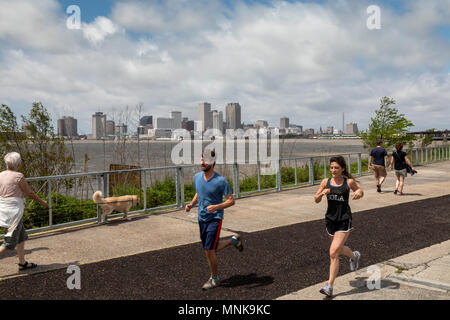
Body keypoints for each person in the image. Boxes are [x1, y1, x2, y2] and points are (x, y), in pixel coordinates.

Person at [185, 148, 243, 290]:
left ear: (213, 162)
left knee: (209, 250)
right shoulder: (197, 177)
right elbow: (199, 192)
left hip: (215, 219)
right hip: (201, 218)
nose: (202, 162)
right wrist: (192, 204)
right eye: (201, 159)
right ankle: (233, 241)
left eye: (205, 160)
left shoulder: (221, 181)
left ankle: (214, 278)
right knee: (211, 248)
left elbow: (231, 201)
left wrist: (216, 207)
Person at [314, 156, 364, 297]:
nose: (333, 170)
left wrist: (358, 193)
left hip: (344, 220)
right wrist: (321, 194)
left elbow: (360, 191)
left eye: (336, 167)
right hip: (330, 220)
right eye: (331, 167)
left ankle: (329, 286)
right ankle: (354, 256)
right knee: (339, 249)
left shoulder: (348, 182)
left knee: (333, 252)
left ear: (342, 168)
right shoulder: (326, 182)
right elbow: (316, 199)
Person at [0, 152, 48, 271]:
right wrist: (42, 202)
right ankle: (22, 263)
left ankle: (23, 263)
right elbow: (29, 193)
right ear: (19, 164)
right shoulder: (18, 176)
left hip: (4, 210)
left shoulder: (0, 175)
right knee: (9, 243)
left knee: (21, 237)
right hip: (14, 213)